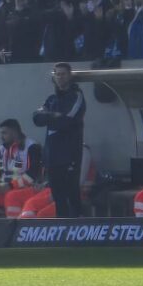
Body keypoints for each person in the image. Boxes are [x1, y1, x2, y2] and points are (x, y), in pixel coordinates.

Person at [32, 62, 87, 216]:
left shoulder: (76, 96)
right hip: (52, 156)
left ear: (70, 76)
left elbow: (67, 120)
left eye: (63, 74)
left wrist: (49, 117)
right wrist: (53, 115)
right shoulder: (51, 99)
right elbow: (36, 118)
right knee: (58, 196)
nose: (60, 77)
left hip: (70, 153)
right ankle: (62, 228)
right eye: (57, 74)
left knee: (72, 193)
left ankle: (77, 227)